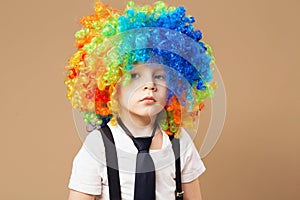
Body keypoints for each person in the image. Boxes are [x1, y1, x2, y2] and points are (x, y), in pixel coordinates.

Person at [64, 1, 216, 200]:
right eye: (135, 76)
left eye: (159, 76)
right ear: (112, 86)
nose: (150, 85)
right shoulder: (98, 146)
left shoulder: (180, 143)